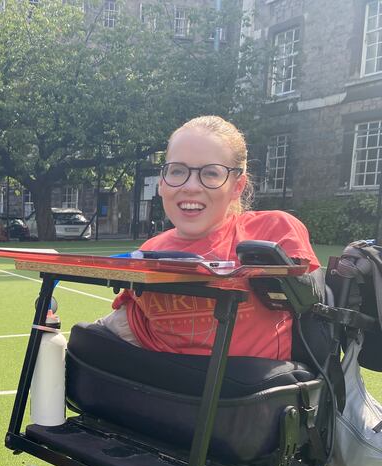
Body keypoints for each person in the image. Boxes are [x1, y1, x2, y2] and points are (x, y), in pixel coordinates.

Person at [97, 115, 319, 361]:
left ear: (237, 186)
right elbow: (125, 320)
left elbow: (310, 305)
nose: (191, 186)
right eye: (178, 171)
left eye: (211, 173)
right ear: (162, 183)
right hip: (157, 383)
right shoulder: (151, 249)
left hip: (240, 388)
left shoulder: (272, 229)